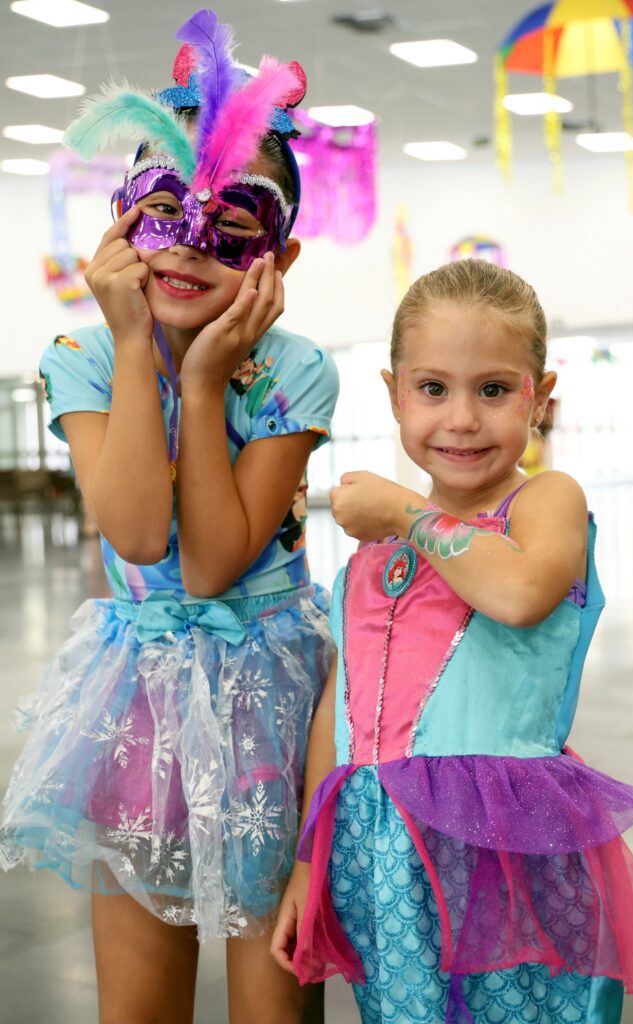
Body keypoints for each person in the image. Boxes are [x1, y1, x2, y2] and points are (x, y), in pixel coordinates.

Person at [0, 10, 337, 1024]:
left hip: (272, 701)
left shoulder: (293, 371)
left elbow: (211, 562)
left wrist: (199, 381)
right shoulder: (84, 358)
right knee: (137, 1005)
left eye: (231, 227)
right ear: (120, 224)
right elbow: (140, 535)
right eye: (161, 215)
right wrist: (133, 340)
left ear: (278, 256)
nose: (190, 247)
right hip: (137, 700)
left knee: (273, 1002)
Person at [271, 259, 633, 1023]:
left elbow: (518, 594)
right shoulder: (369, 560)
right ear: (394, 393)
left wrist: (403, 512)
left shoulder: (544, 502)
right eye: (432, 388)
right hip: (382, 858)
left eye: (492, 390)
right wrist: (306, 862)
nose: (460, 418)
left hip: (505, 855)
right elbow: (338, 711)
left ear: (538, 398)